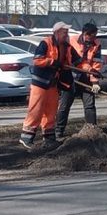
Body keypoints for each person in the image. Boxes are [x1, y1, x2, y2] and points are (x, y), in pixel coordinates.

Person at [20, 21, 74, 149]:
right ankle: (26, 137)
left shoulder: (66, 46)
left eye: (67, 32)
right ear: (56, 32)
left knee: (51, 110)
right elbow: (37, 60)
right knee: (36, 110)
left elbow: (72, 61)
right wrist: (51, 62)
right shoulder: (46, 43)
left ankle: (49, 138)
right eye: (64, 32)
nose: (66, 35)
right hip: (40, 82)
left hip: (53, 83)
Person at [55, 22, 102, 140]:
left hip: (85, 76)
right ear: (85, 34)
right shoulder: (72, 41)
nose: (93, 39)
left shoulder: (96, 44)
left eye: (95, 36)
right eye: (92, 36)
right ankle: (58, 131)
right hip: (69, 76)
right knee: (65, 105)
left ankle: (92, 130)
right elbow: (73, 60)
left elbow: (96, 63)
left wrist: (94, 81)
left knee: (89, 105)